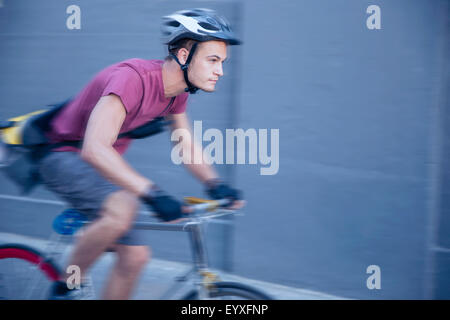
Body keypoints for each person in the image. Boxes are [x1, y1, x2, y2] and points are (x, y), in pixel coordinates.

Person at [43, 8, 244, 300]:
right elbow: (95, 147)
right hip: (62, 155)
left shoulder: (177, 93)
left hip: (98, 168)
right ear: (185, 56)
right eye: (213, 60)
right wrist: (153, 193)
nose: (220, 71)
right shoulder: (132, 78)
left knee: (135, 257)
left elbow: (184, 143)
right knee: (125, 206)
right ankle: (64, 288)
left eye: (222, 62)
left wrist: (215, 184)